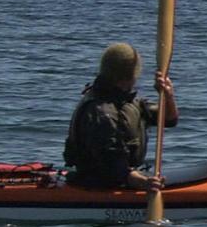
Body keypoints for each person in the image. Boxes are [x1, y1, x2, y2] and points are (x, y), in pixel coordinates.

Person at [63, 42, 179, 189]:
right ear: (130, 75)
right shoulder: (102, 114)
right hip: (98, 183)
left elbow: (169, 120)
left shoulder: (128, 101)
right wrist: (144, 182)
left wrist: (167, 96)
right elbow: (112, 163)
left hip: (123, 175)